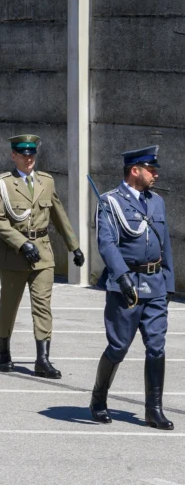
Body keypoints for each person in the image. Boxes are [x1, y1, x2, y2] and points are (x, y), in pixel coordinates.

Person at [89, 146, 174, 430]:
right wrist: (123, 277)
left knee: (157, 347)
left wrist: (169, 281)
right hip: (126, 286)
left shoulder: (157, 202)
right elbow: (107, 243)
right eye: (151, 169)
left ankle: (154, 410)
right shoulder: (110, 202)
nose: (156, 174)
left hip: (156, 284)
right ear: (135, 170)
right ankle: (98, 399)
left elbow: (165, 244)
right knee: (118, 346)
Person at [0, 134, 85, 378]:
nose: (28, 158)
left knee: (43, 306)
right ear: (14, 156)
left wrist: (74, 246)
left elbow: (59, 215)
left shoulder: (46, 181)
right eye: (23, 154)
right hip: (13, 254)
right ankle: (3, 351)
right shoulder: (2, 184)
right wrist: (21, 244)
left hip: (42, 251)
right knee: (9, 306)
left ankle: (42, 359)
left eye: (32, 154)